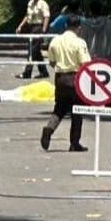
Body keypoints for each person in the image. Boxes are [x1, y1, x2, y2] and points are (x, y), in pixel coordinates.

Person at [41, 15, 91, 152]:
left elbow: (51, 62)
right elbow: (85, 63)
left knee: (59, 108)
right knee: (77, 110)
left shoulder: (56, 40)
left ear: (65, 26)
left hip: (60, 78)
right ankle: (74, 142)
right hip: (76, 78)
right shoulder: (80, 43)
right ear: (79, 28)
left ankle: (49, 129)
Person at [17, 0, 50, 78]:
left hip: (38, 27)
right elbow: (27, 16)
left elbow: (46, 17)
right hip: (31, 27)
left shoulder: (43, 4)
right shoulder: (30, 3)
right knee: (36, 51)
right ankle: (44, 72)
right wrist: (20, 26)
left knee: (32, 50)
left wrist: (43, 30)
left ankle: (27, 72)